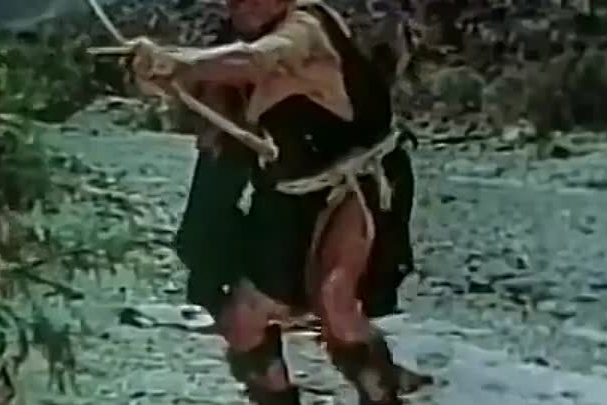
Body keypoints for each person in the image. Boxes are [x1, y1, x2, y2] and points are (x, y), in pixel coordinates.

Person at [127, 0, 427, 404]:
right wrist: (161, 75)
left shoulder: (306, 27)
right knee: (244, 321)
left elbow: (258, 60)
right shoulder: (229, 46)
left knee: (335, 298)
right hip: (289, 190)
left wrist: (176, 62)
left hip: (361, 179)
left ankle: (381, 391)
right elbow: (214, 122)